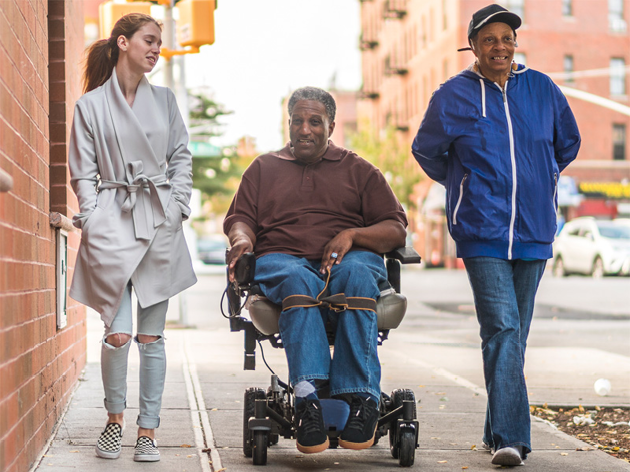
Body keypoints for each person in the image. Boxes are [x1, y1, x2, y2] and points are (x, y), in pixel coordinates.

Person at [411, 4, 580, 467]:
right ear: (474, 46)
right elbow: (426, 150)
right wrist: (466, 183)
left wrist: (539, 178)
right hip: (481, 232)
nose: (500, 46)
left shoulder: (542, 88)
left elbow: (567, 143)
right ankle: (512, 438)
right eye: (490, 40)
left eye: (507, 38)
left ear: (515, 44)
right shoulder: (453, 96)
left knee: (514, 337)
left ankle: (493, 429)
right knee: (502, 327)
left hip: (534, 230)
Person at [224, 86, 407, 454]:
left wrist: (352, 234)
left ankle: (362, 399)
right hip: (282, 259)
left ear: (331, 126)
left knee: (357, 275)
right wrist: (241, 241)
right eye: (297, 121)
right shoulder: (262, 168)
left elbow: (395, 228)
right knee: (298, 278)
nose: (304, 129)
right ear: (288, 124)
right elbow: (240, 219)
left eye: (314, 121)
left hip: (348, 260)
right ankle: (307, 398)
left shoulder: (359, 170)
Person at [68, 13, 197, 462]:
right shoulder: (90, 106)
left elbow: (182, 155)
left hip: (158, 219)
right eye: (149, 40)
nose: (156, 49)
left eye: (159, 43)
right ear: (122, 42)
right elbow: (82, 172)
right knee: (117, 334)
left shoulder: (164, 101)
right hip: (112, 221)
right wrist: (92, 216)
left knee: (151, 337)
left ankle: (148, 431)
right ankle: (113, 420)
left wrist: (178, 205)